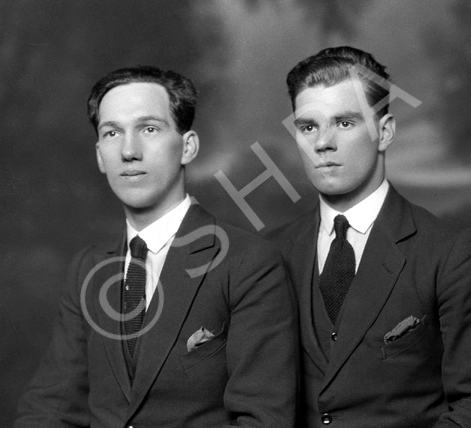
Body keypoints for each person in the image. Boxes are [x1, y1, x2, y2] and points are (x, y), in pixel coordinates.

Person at [15, 66, 298, 427]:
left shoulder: (248, 263)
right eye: (112, 133)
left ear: (188, 146)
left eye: (149, 129)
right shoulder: (88, 267)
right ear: (100, 155)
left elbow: (263, 419)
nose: (129, 151)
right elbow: (50, 408)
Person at [270, 46, 471, 427]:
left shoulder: (450, 253)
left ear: (384, 132)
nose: (323, 143)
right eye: (308, 127)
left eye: (345, 123)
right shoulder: (268, 254)